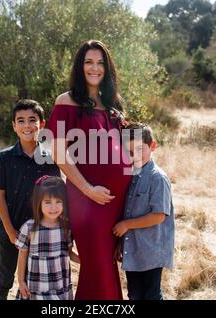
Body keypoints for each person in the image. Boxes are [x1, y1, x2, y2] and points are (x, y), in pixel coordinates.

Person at [46, 39, 132, 300]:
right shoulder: (67, 101)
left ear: (107, 68)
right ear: (79, 67)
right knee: (98, 268)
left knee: (107, 267)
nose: (94, 68)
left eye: (100, 63)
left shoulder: (113, 103)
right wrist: (87, 189)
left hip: (117, 205)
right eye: (88, 62)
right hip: (88, 201)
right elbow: (57, 152)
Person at [0, 99, 60, 300]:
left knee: (33, 280)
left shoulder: (50, 158)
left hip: (39, 232)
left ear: (42, 124)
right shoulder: (4, 157)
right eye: (20, 121)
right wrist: (11, 231)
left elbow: (56, 194)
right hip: (9, 228)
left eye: (32, 120)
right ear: (14, 126)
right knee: (5, 277)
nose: (27, 125)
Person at [113, 122, 175, 300]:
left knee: (151, 295)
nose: (135, 156)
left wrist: (126, 225)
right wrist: (120, 244)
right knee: (134, 294)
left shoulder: (158, 178)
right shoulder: (130, 175)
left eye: (140, 150)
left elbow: (159, 215)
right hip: (132, 249)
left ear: (153, 146)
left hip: (152, 250)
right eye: (130, 152)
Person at [15, 176, 80, 300]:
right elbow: (22, 256)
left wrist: (87, 261)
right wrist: (21, 281)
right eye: (48, 202)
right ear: (39, 202)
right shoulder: (29, 227)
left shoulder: (66, 227)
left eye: (58, 202)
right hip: (36, 288)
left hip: (60, 287)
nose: (53, 207)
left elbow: (69, 253)